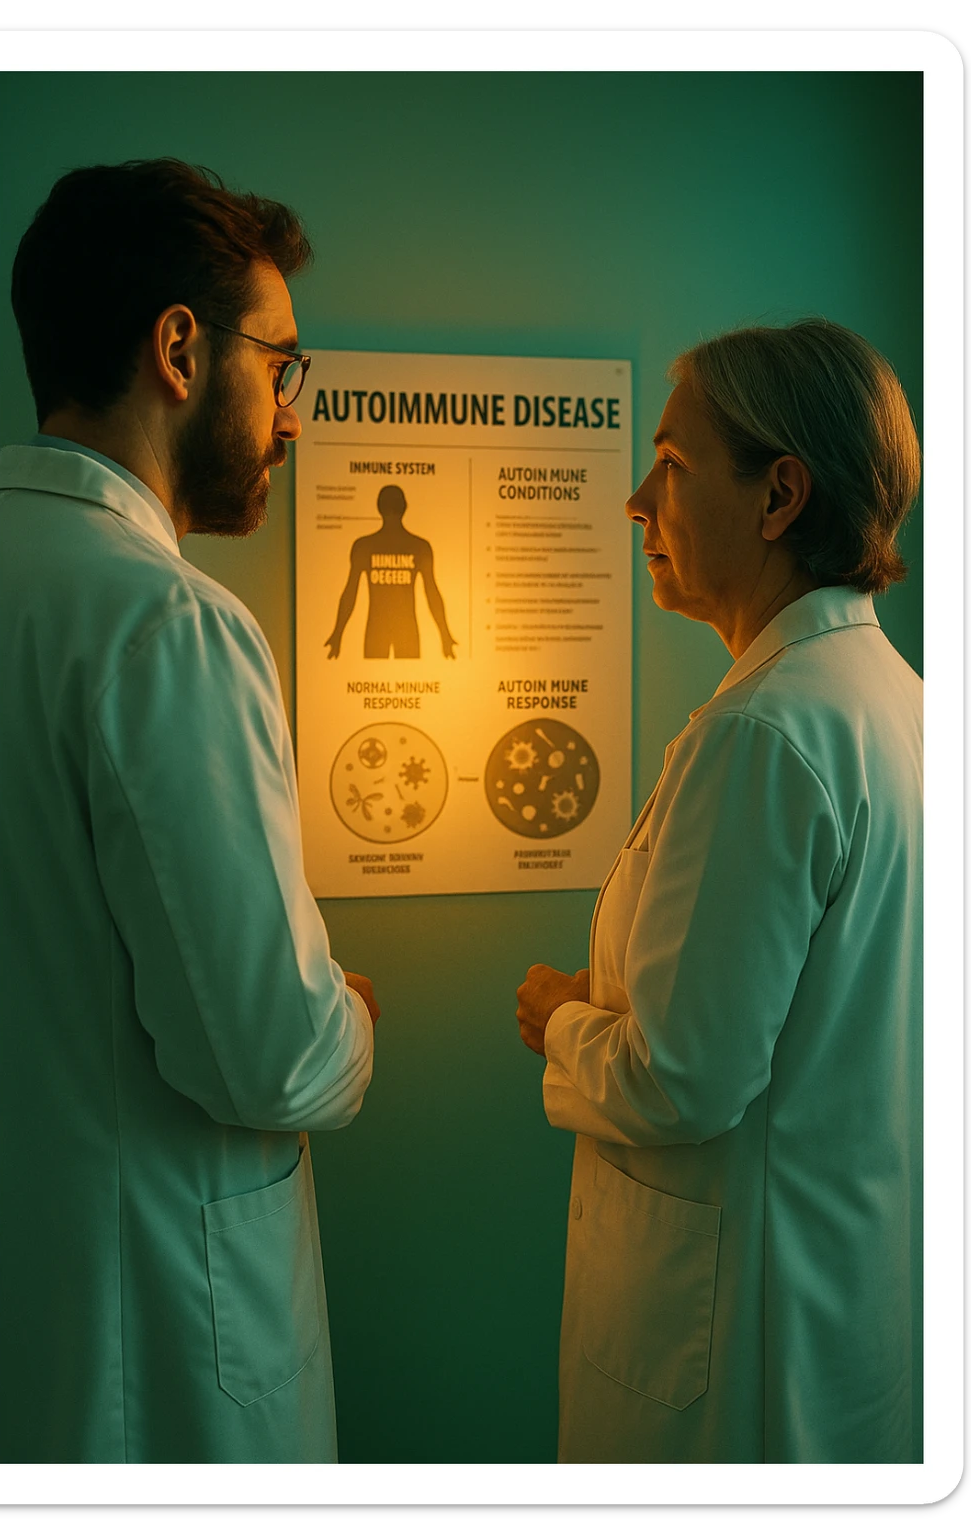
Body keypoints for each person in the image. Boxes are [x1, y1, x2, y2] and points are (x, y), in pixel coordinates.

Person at [0, 159, 380, 1464]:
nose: (293, 417)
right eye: (283, 369)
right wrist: (348, 1023)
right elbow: (265, 1052)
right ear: (179, 349)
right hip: (155, 1350)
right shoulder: (165, 625)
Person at [516, 319, 923, 1464]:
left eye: (673, 466)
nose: (636, 501)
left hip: (733, 1350)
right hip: (838, 1304)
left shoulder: (764, 734)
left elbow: (679, 1084)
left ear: (779, 496)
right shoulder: (893, 702)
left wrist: (561, 1022)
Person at [325, 483, 457, 659]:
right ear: (405, 507)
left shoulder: (365, 546)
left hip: (382, 630)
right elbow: (432, 593)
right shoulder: (418, 546)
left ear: (379, 508)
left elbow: (350, 592)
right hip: (400, 630)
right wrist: (444, 634)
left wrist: (338, 632)